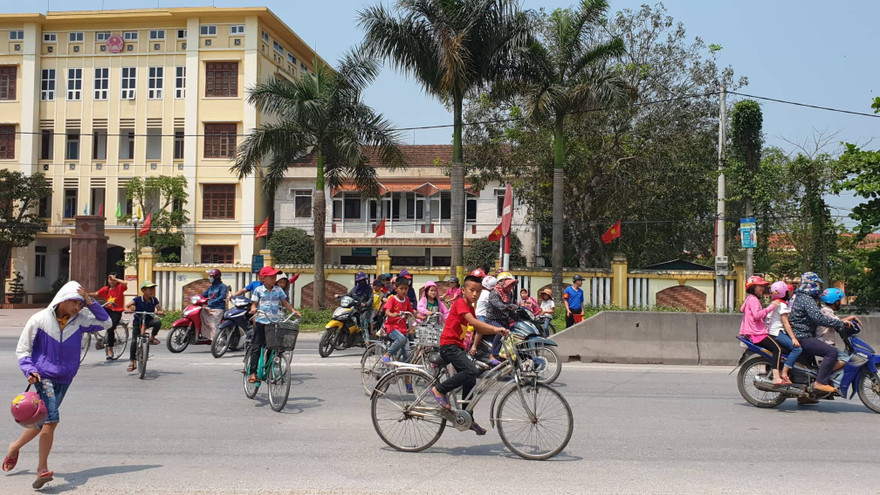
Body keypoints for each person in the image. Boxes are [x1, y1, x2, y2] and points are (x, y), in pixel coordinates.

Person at [7, 281, 111, 489]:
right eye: (74, 302)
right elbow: (23, 349)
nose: (77, 307)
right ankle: (42, 469)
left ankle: (14, 446)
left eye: (80, 304)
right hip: (43, 376)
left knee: (42, 422)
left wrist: (91, 303)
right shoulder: (39, 320)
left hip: (66, 377)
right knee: (52, 419)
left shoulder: (81, 320)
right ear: (63, 299)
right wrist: (29, 370)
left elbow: (106, 322)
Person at [429, 272, 508, 435]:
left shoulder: (470, 307)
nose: (475, 294)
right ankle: (439, 390)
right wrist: (495, 328)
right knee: (471, 370)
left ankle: (467, 417)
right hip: (448, 345)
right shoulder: (460, 303)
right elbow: (473, 322)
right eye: (471, 290)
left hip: (457, 347)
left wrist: (496, 332)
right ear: (463, 290)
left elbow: (477, 326)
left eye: (478, 291)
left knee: (471, 378)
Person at [787, 272, 856, 394]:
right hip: (803, 336)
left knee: (809, 365)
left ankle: (804, 397)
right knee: (832, 352)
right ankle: (820, 382)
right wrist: (840, 323)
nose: (818, 287)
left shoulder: (804, 297)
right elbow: (820, 319)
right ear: (810, 284)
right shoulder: (806, 299)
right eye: (816, 284)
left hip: (804, 335)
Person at [248, 266, 301, 383]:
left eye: (275, 276)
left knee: (272, 347)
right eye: (271, 277)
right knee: (257, 347)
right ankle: (253, 372)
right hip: (261, 321)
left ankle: (268, 371)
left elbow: (285, 302)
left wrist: (293, 311)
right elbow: (254, 304)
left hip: (274, 323)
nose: (274, 279)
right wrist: (253, 309)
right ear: (263, 278)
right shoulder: (258, 290)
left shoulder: (278, 290)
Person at [765, 281, 802, 384]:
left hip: (771, 332)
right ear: (783, 293)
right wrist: (794, 338)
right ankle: (784, 373)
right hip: (777, 333)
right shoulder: (781, 305)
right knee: (797, 349)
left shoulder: (774, 303)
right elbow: (785, 323)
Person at [125, 281, 165, 373]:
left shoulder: (154, 300)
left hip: (148, 320)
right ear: (143, 290)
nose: (152, 291)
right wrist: (128, 310)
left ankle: (152, 337)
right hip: (138, 322)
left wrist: (160, 312)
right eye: (149, 289)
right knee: (134, 341)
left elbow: (159, 309)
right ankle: (132, 362)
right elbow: (126, 306)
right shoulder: (137, 299)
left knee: (157, 322)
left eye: (153, 289)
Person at [89, 272, 128, 360]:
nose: (112, 281)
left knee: (110, 327)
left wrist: (115, 279)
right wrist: (85, 294)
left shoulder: (120, 287)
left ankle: (110, 349)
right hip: (108, 309)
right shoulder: (106, 289)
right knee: (95, 312)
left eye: (113, 280)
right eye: (110, 279)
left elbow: (125, 283)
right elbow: (96, 294)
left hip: (117, 311)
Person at [484, 272, 518, 365]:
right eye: (509, 284)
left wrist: (517, 316)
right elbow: (499, 306)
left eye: (511, 285)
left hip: (504, 319)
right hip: (492, 320)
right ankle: (493, 355)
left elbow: (509, 308)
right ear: (501, 282)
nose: (510, 287)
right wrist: (509, 306)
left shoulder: (509, 294)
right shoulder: (494, 293)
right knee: (501, 332)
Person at [817, 288, 857, 365]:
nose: (840, 303)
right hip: (824, 342)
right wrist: (851, 318)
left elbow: (837, 321)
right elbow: (839, 322)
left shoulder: (827, 310)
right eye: (839, 301)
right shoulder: (825, 311)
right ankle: (825, 373)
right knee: (845, 358)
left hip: (825, 342)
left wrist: (851, 318)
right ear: (835, 301)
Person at [381, 278, 413, 363]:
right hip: (391, 327)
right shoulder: (392, 299)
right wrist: (392, 314)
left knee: (407, 353)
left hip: (402, 328)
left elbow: (412, 312)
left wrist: (422, 317)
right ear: (396, 289)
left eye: (405, 289)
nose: (404, 291)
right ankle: (387, 355)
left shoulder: (407, 300)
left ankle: (406, 374)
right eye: (401, 288)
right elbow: (387, 311)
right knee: (401, 339)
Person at [201, 268, 227, 341]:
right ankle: (206, 335)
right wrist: (195, 297)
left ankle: (217, 339)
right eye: (210, 276)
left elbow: (222, 296)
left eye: (211, 277)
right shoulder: (211, 287)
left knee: (214, 324)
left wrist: (213, 301)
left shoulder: (222, 286)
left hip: (218, 309)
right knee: (200, 313)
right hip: (209, 308)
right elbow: (204, 294)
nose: (210, 278)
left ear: (216, 277)